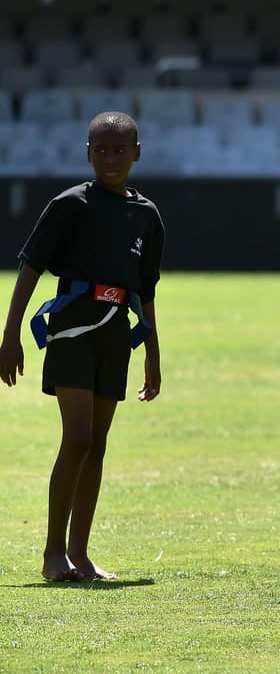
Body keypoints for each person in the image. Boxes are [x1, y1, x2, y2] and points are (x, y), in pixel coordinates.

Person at [0, 111, 164, 582]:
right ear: (87, 153)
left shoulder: (146, 215)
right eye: (100, 150)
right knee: (79, 438)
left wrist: (153, 353)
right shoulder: (71, 204)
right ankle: (54, 555)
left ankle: (81, 554)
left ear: (137, 152)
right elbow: (31, 267)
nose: (109, 158)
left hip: (116, 333)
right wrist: (10, 336)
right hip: (72, 328)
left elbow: (146, 290)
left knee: (98, 445)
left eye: (119, 150)